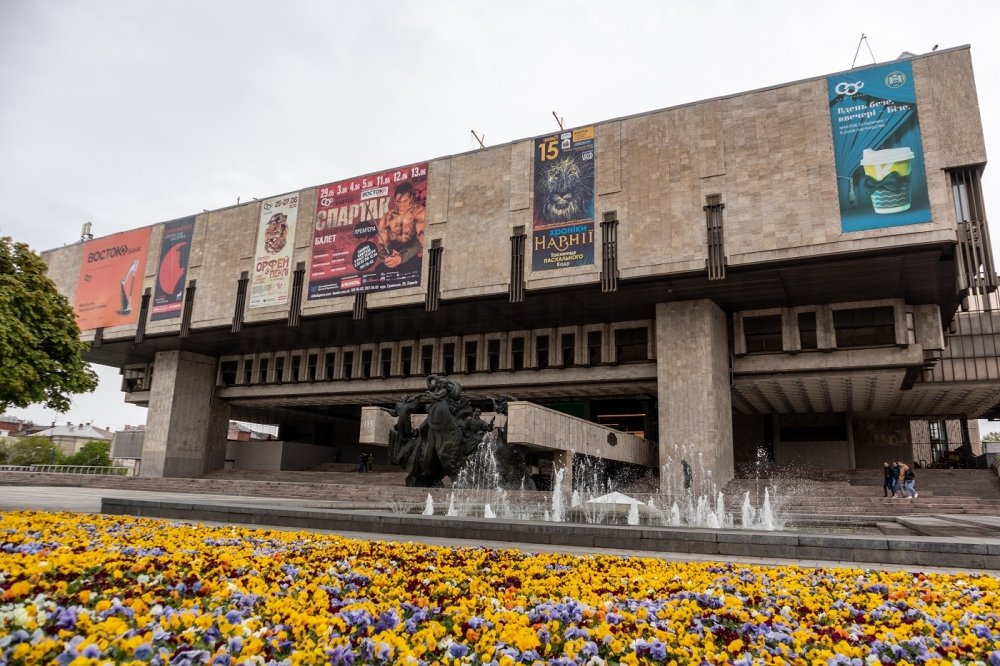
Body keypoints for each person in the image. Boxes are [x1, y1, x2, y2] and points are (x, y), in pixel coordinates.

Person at [375, 181, 425, 272]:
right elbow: (381, 245)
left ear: (411, 198)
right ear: (394, 200)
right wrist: (387, 256)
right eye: (398, 202)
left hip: (413, 256)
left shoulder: (419, 211)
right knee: (377, 271)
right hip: (393, 256)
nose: (401, 205)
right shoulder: (387, 217)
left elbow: (421, 241)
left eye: (405, 201)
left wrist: (402, 257)